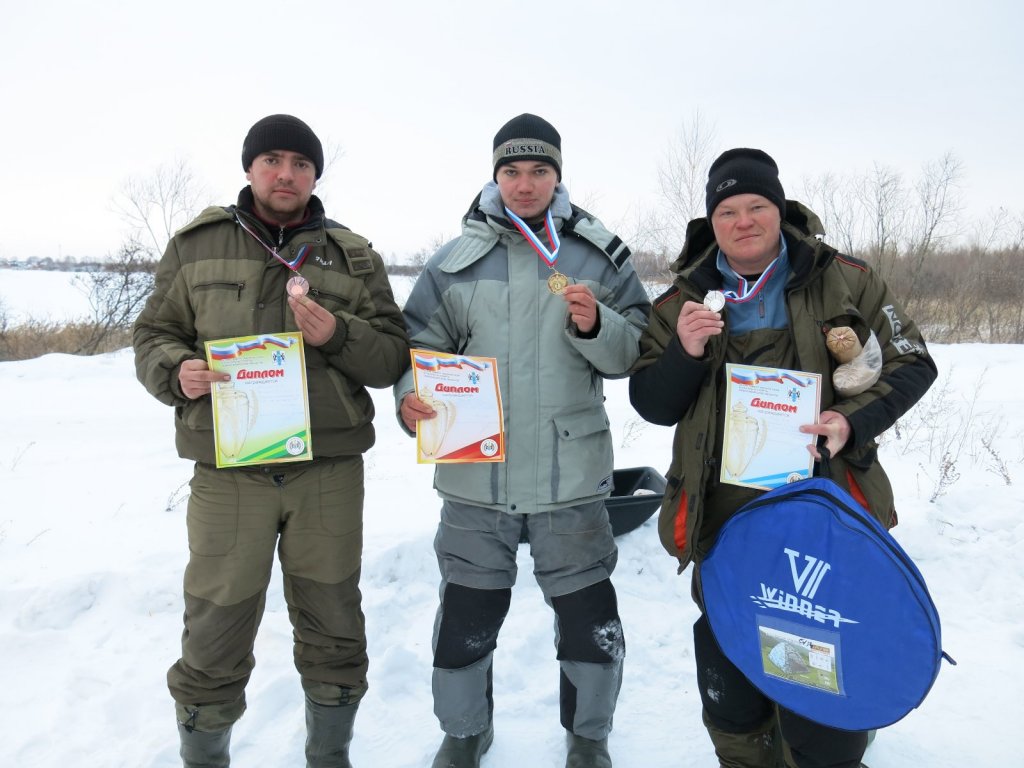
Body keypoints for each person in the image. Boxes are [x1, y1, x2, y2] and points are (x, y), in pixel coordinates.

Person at [628, 148, 937, 768]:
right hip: (722, 518)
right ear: (710, 222)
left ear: (780, 209)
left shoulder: (846, 279)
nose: (744, 221)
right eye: (728, 210)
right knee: (734, 670)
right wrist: (684, 353)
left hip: (825, 512)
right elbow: (652, 404)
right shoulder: (679, 303)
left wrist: (849, 422)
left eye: (757, 206)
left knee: (819, 664)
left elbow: (913, 363)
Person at [133, 114, 409, 768]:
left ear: (316, 174)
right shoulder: (196, 247)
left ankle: (329, 757)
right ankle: (204, 756)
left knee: (335, 622)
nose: (286, 174)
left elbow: (393, 358)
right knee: (215, 627)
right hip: (230, 472)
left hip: (328, 472)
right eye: (272, 160)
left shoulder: (353, 255)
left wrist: (336, 334)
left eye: (300, 163)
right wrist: (177, 371)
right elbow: (153, 336)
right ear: (250, 168)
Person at [394, 114, 650, 768]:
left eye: (539, 170)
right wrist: (409, 398)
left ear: (558, 175)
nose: (525, 183)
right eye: (512, 170)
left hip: (572, 478)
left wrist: (599, 326)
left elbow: (637, 353)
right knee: (464, 625)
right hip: (476, 481)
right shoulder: (453, 264)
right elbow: (414, 351)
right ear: (494, 175)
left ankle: (588, 738)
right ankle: (464, 734)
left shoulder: (596, 256)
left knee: (591, 625)